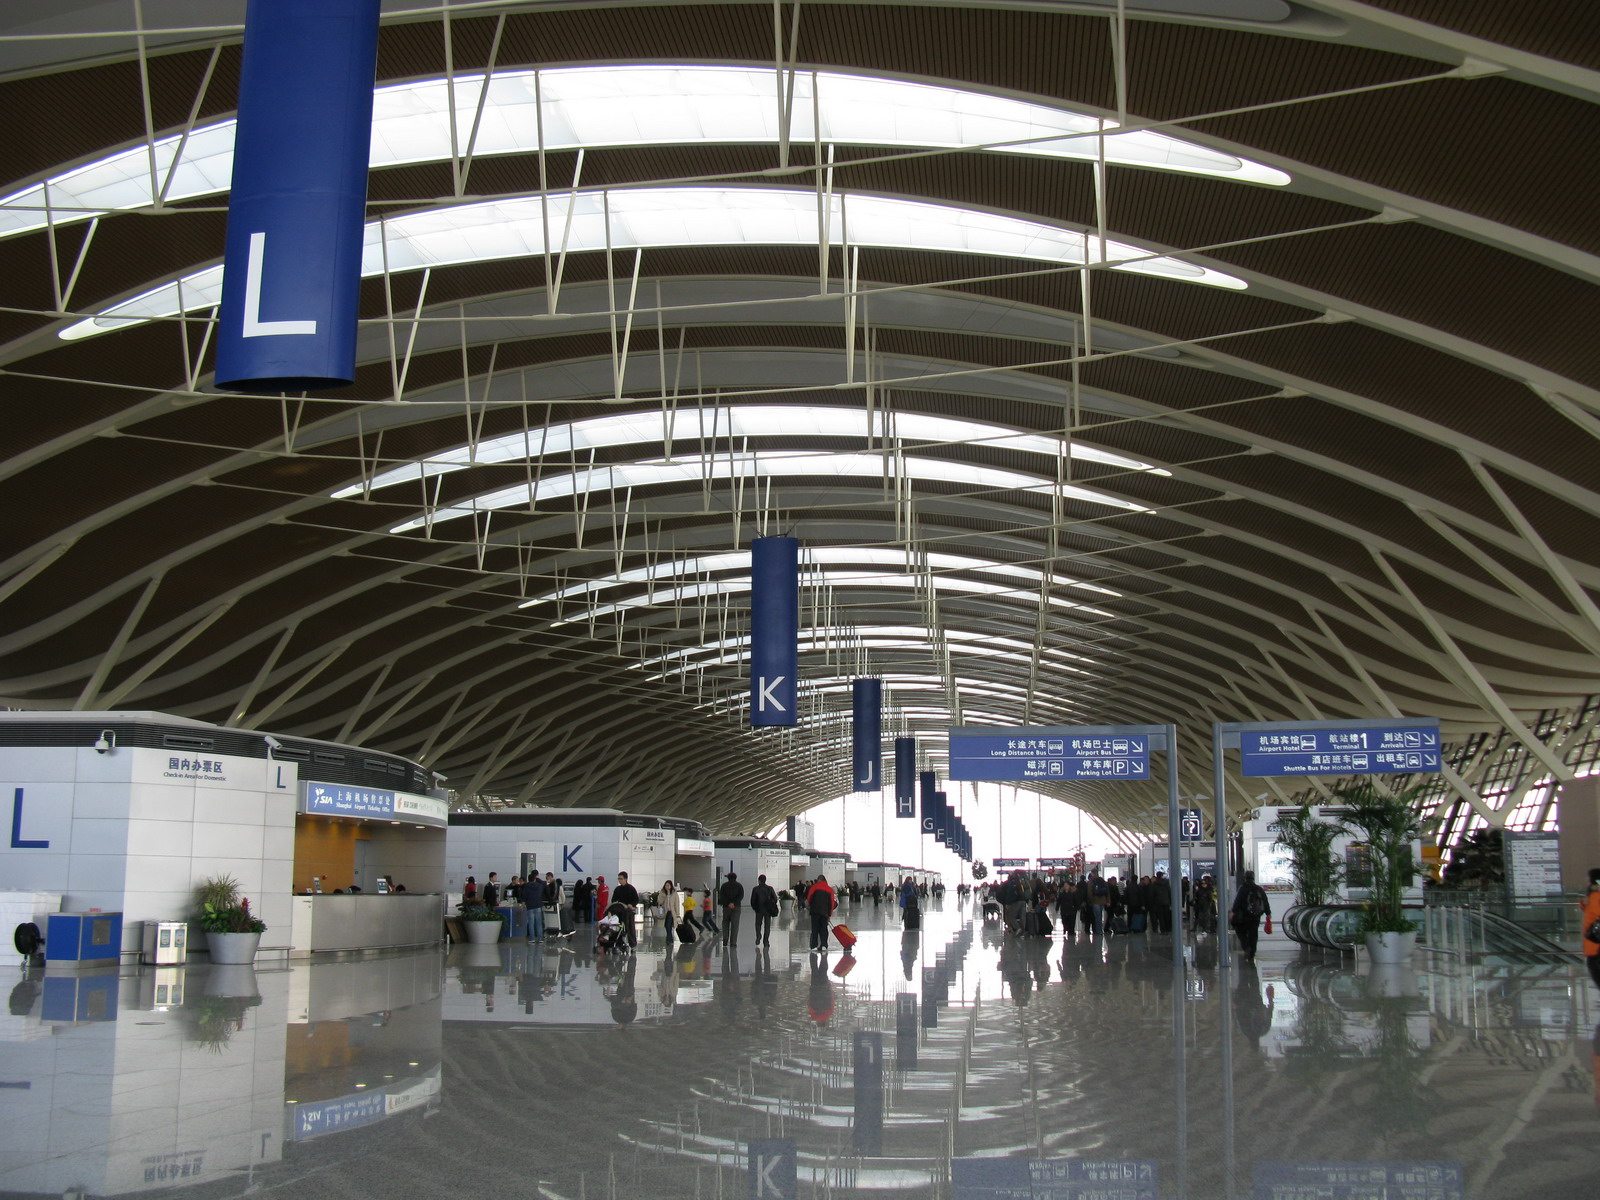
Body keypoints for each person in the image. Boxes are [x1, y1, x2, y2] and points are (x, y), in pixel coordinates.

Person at [1230, 869, 1271, 961]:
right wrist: (1268, 913)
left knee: (1241, 932)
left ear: (1245, 878)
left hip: (1244, 916)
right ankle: (1252, 953)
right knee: (1254, 934)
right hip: (1256, 916)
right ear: (1253, 878)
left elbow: (1238, 901)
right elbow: (1265, 901)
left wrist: (1233, 911)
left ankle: (1246, 947)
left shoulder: (1243, 888)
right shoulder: (1259, 889)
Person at [807, 873, 837, 951]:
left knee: (815, 928)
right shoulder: (829, 889)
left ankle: (814, 946)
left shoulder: (814, 887)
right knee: (824, 929)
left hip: (815, 912)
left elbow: (809, 898)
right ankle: (824, 945)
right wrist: (829, 914)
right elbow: (832, 902)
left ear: (819, 880)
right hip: (825, 913)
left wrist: (811, 906)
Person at [1582, 867, 1600, 991]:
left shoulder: (1595, 896)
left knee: (1594, 967)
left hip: (1596, 941)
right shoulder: (1592, 895)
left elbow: (1595, 912)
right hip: (1594, 940)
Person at [611, 870, 640, 948]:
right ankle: (618, 942)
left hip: (629, 911)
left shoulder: (631, 888)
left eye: (621, 879)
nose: (620, 880)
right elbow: (613, 900)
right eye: (619, 879)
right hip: (619, 910)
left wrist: (631, 905)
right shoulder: (617, 889)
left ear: (625, 879)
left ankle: (633, 945)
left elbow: (636, 899)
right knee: (617, 927)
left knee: (630, 927)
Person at [750, 873, 779, 947]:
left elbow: (752, 901)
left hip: (759, 910)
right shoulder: (770, 888)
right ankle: (766, 941)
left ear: (759, 881)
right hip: (768, 910)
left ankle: (758, 935)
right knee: (767, 926)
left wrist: (755, 908)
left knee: (758, 924)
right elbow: (775, 898)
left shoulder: (755, 889)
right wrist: (771, 904)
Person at [718, 871, 745, 946]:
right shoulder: (739, 886)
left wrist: (728, 903)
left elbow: (722, 896)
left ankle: (725, 940)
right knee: (735, 925)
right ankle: (733, 942)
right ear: (735, 878)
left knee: (725, 923)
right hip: (736, 908)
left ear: (728, 878)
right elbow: (741, 896)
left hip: (726, 907)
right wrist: (734, 903)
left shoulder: (724, 886)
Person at [524, 870, 548, 941]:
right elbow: (543, 885)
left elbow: (524, 895)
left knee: (531, 923)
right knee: (539, 922)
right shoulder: (539, 885)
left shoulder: (526, 886)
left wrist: (523, 903)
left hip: (530, 905)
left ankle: (532, 938)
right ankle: (540, 938)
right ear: (535, 879)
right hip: (538, 905)